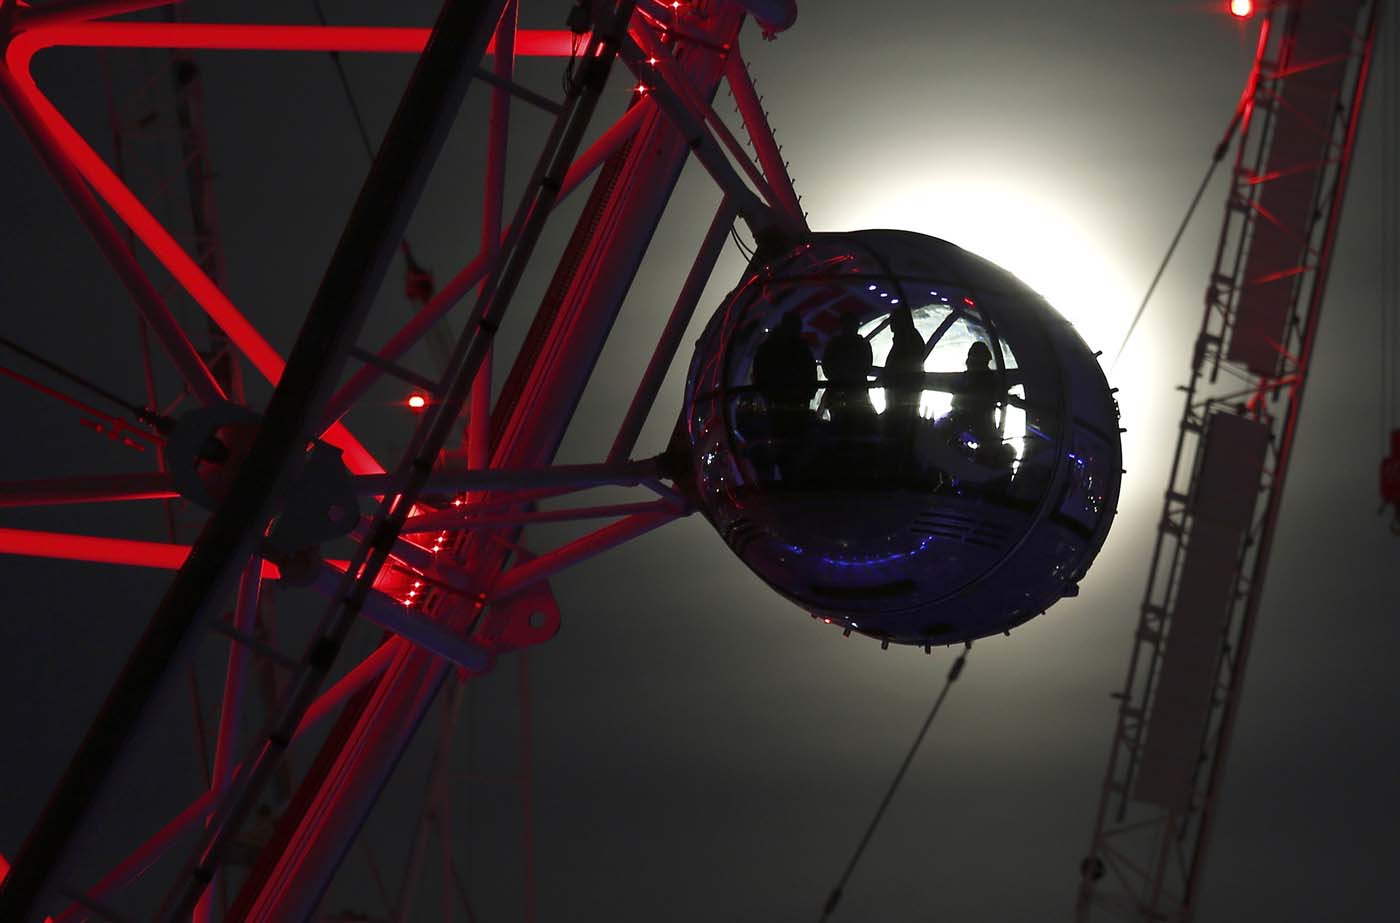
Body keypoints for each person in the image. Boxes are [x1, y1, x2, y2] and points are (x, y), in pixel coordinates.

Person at [752, 311, 818, 481]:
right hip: (795, 409)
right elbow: (810, 374)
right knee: (794, 449)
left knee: (782, 447)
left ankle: (783, 479)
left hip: (776, 409)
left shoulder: (768, 348)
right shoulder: (801, 349)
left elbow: (759, 376)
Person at [821, 312, 876, 437]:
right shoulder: (863, 345)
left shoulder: (833, 344)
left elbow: (827, 368)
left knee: (838, 428)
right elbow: (866, 368)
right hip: (858, 394)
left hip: (837, 393)